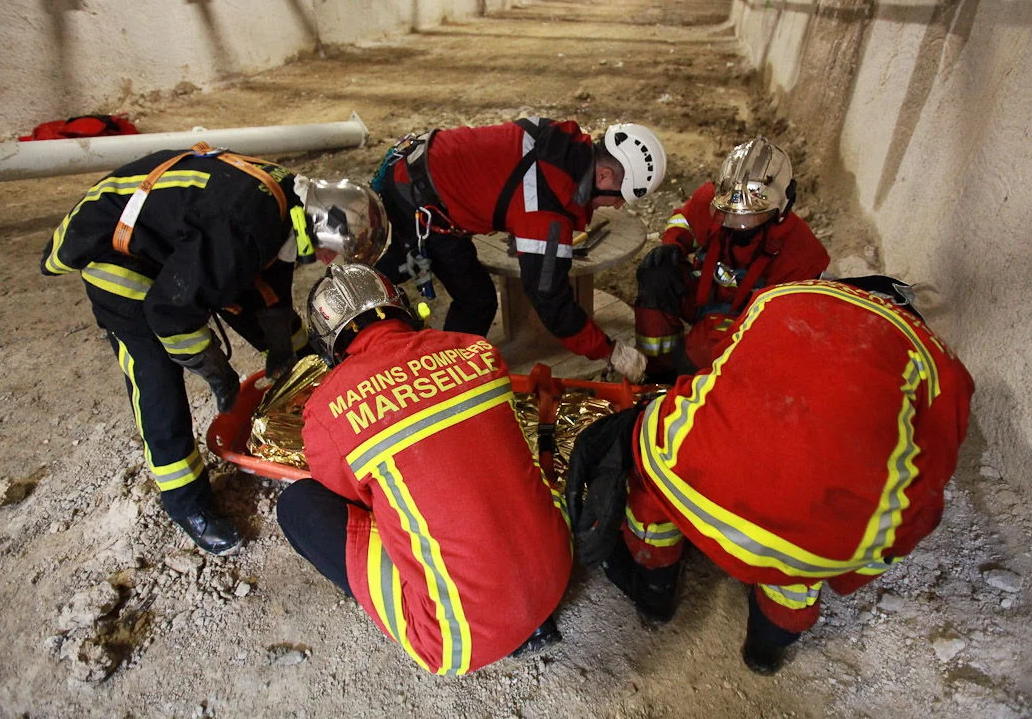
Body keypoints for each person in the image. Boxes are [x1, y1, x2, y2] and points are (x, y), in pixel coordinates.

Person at [567, 276, 975, 675]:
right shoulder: (941, 365)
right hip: (820, 542)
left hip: (691, 483)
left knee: (652, 470)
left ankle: (654, 590)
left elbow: (715, 373)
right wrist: (867, 558)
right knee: (802, 563)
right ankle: (766, 648)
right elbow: (929, 481)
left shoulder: (781, 296)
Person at [40, 143, 387, 555]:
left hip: (176, 244)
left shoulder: (286, 199)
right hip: (119, 255)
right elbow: (170, 311)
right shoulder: (242, 225)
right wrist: (214, 368)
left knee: (267, 319)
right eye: (327, 256)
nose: (321, 262)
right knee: (157, 380)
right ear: (320, 231)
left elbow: (262, 284)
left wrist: (294, 354)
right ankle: (187, 503)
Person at [277, 264, 572, 674]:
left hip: (461, 641)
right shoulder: (475, 350)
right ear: (401, 306)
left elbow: (344, 497)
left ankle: (445, 604)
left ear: (327, 345)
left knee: (297, 505)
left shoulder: (328, 408)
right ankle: (527, 614)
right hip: (557, 570)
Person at [371, 118, 667, 383]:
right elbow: (550, 299)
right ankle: (442, 380)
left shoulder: (560, 143)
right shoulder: (547, 207)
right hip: (417, 198)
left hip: (413, 163)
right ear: (602, 176)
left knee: (387, 272)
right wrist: (610, 351)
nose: (616, 206)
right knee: (476, 300)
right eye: (620, 198)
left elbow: (506, 178)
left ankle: (351, 299)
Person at [634, 136, 829, 381]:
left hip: (750, 320)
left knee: (700, 354)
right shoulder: (710, 201)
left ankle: (691, 382)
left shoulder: (801, 251)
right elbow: (685, 220)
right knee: (656, 275)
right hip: (705, 294)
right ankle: (655, 372)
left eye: (750, 217)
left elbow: (790, 323)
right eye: (728, 214)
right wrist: (673, 244)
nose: (737, 225)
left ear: (783, 206)